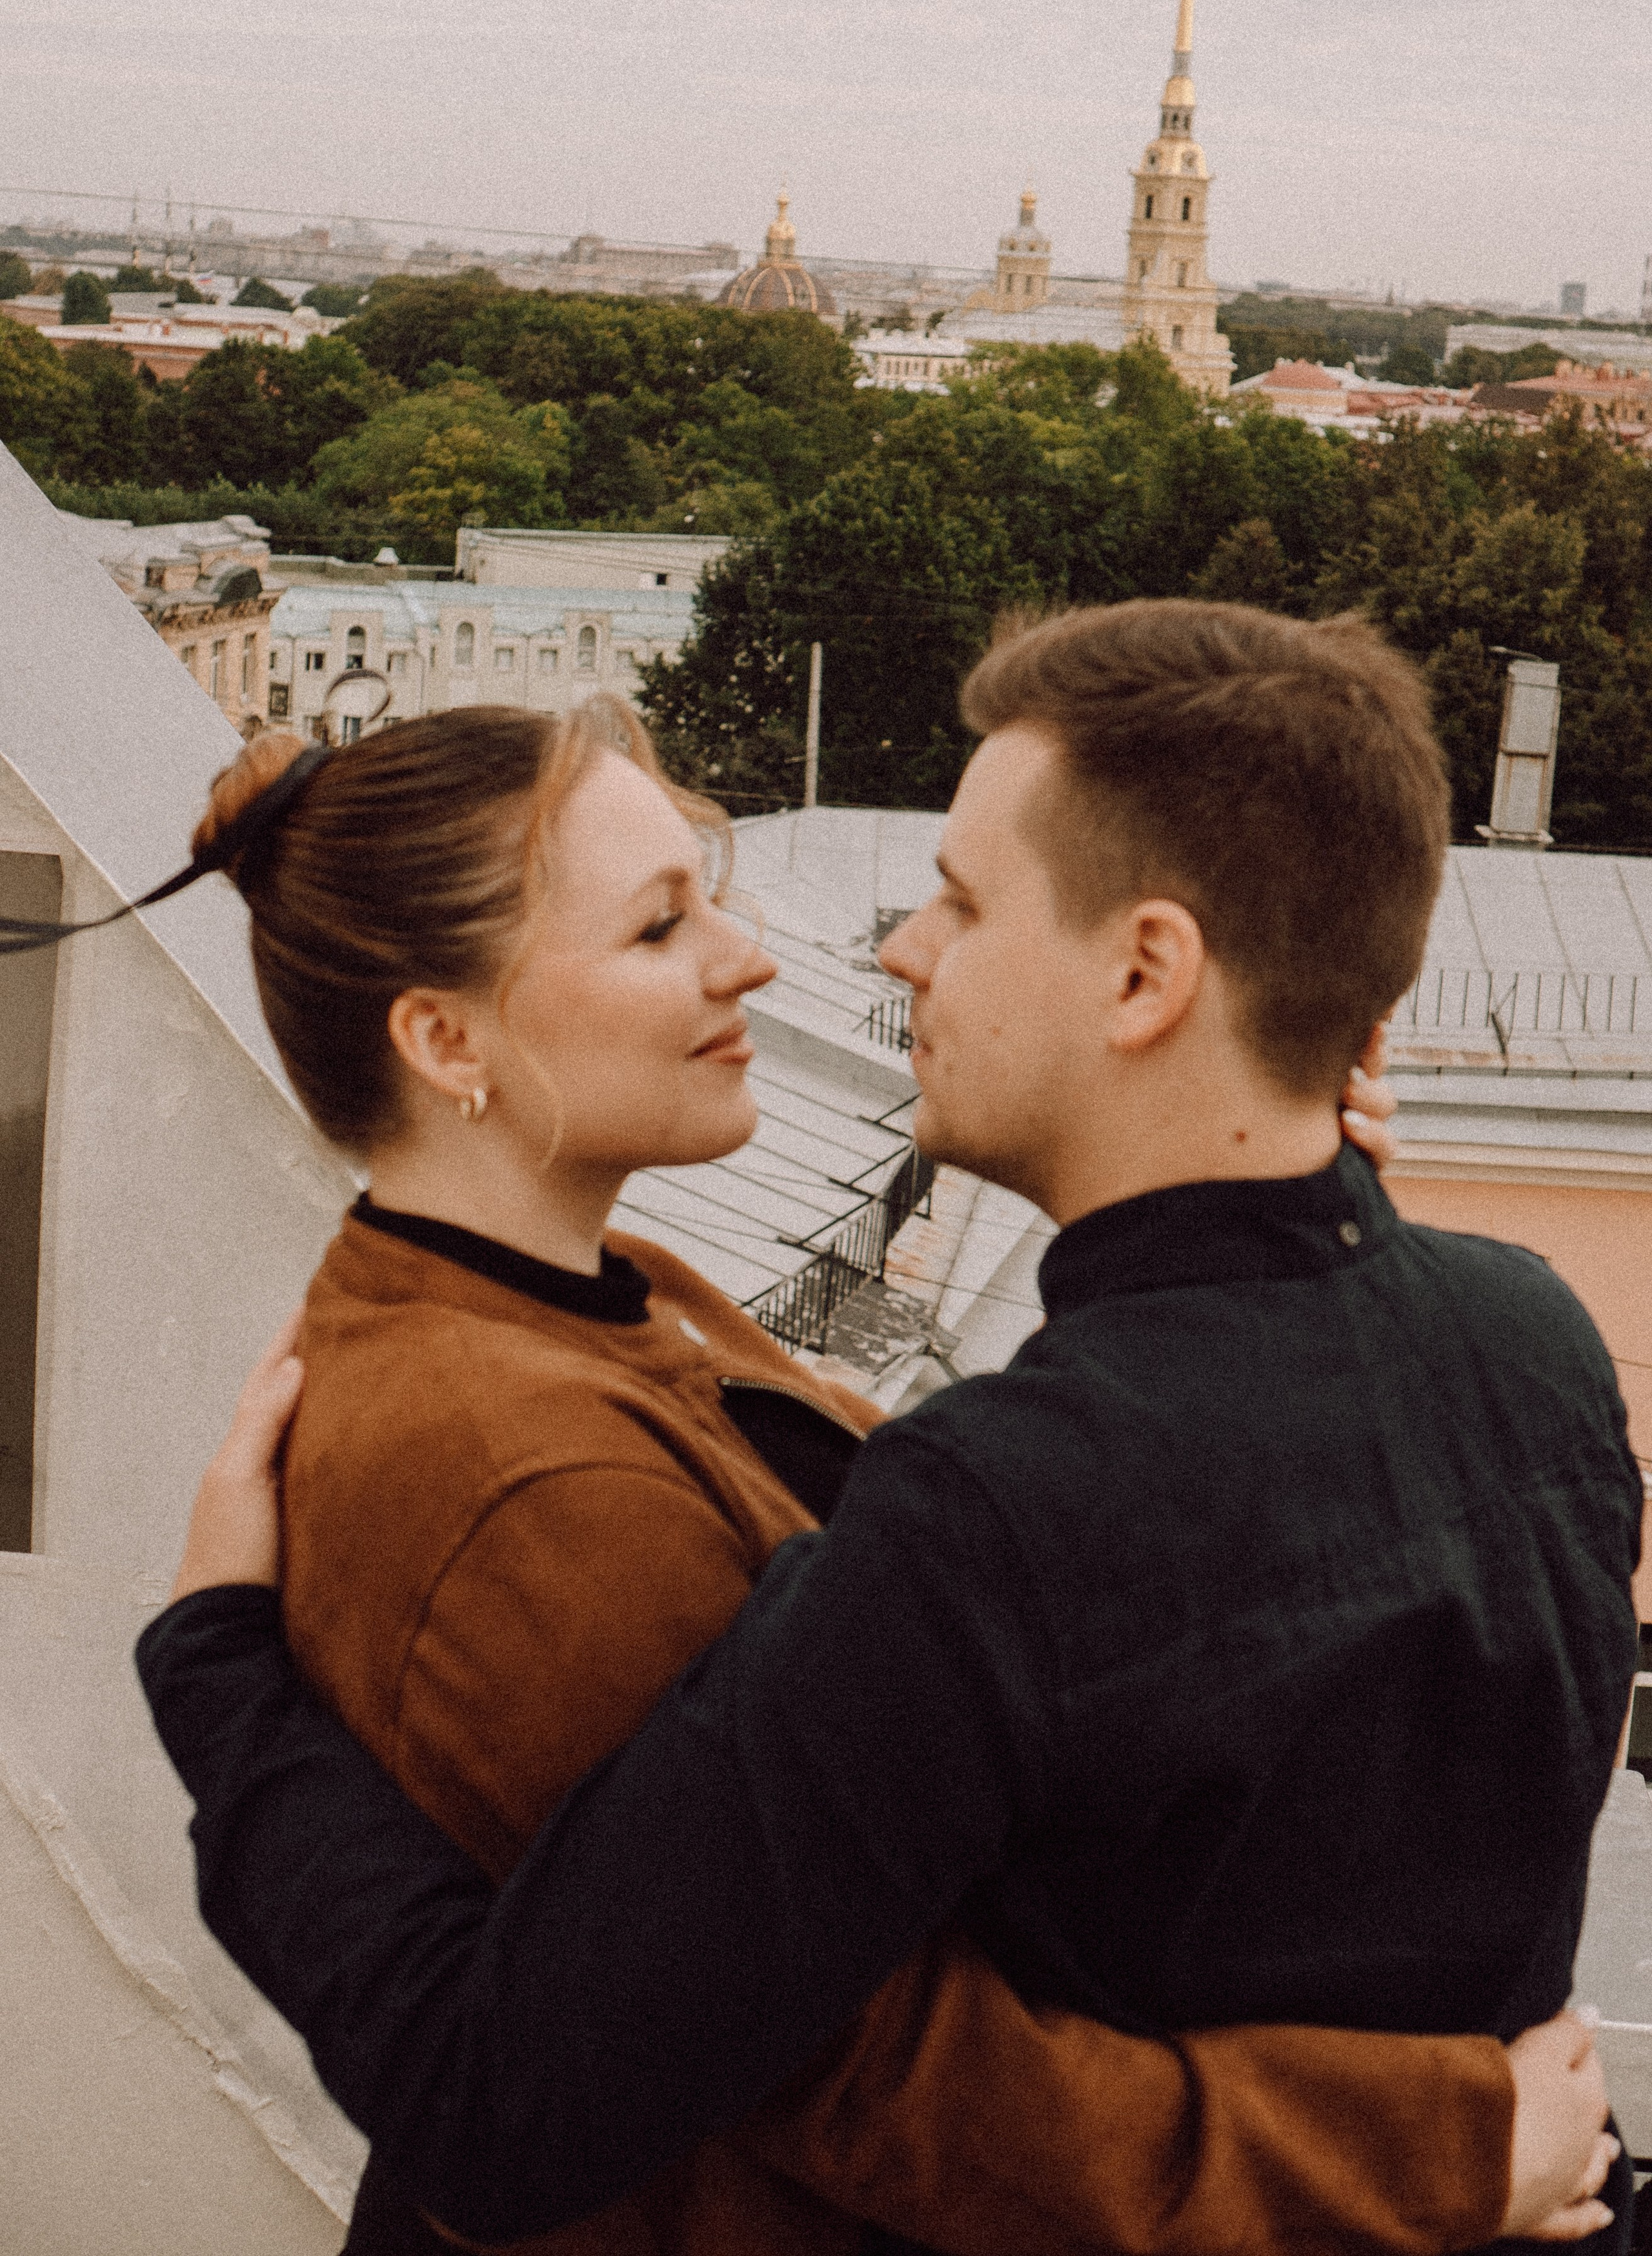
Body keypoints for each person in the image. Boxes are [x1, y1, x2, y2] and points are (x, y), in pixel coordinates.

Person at [135, 614, 1636, 2252]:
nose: (862, 950)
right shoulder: (1534, 1332)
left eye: (963, 902)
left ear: (1144, 974)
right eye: (662, 922)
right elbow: (737, 2080)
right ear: (444, 1038)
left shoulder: (704, 1337)